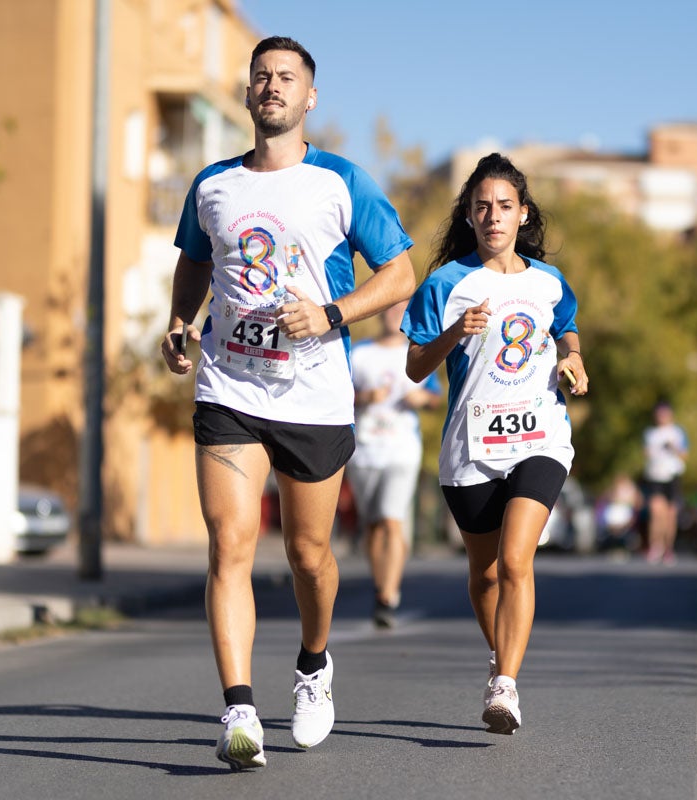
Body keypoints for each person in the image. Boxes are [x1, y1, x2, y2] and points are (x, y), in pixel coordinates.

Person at [160, 36, 416, 770]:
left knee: (309, 555)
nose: (271, 86)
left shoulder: (340, 181)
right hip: (229, 389)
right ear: (246, 95)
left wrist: (335, 313)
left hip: (314, 393)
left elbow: (398, 274)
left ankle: (312, 665)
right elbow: (194, 264)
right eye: (261, 76)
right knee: (230, 545)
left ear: (309, 98)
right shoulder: (212, 185)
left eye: (286, 78)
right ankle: (238, 708)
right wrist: (181, 323)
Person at [402, 152, 588, 736]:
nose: (493, 216)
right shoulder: (446, 284)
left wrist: (573, 358)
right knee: (484, 576)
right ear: (469, 216)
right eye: (481, 206)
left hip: (540, 436)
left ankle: (504, 685)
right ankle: (500, 654)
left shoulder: (547, 281)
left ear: (522, 213)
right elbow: (414, 366)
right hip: (470, 446)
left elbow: (566, 325)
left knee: (515, 561)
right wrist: (457, 331)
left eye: (504, 206)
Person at [346, 300, 442, 628]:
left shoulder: (417, 353)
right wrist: (364, 398)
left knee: (392, 520)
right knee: (372, 525)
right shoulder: (358, 353)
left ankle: (388, 595)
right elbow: (337, 393)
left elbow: (436, 396)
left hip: (402, 449)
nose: (393, 316)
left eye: (401, 311)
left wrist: (422, 399)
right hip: (363, 449)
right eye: (389, 309)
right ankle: (379, 586)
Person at [641, 401, 688, 565]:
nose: (662, 417)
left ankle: (668, 548)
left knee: (670, 516)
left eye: (665, 413)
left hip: (672, 476)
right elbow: (646, 453)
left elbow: (684, 455)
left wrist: (673, 447)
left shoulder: (678, 432)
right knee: (656, 512)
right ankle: (656, 546)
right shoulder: (650, 433)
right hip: (655, 476)